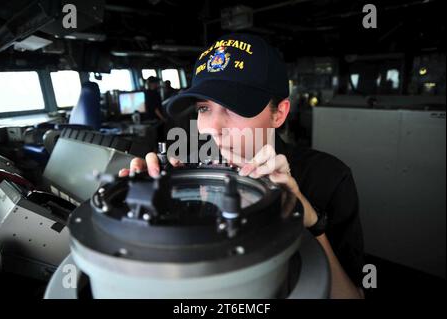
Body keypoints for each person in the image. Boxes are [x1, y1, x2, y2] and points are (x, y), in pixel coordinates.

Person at [120, 34, 365, 299]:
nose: (212, 127)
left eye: (233, 107)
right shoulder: (188, 172)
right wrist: (144, 205)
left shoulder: (328, 178)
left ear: (278, 113)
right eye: (204, 108)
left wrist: (310, 221)